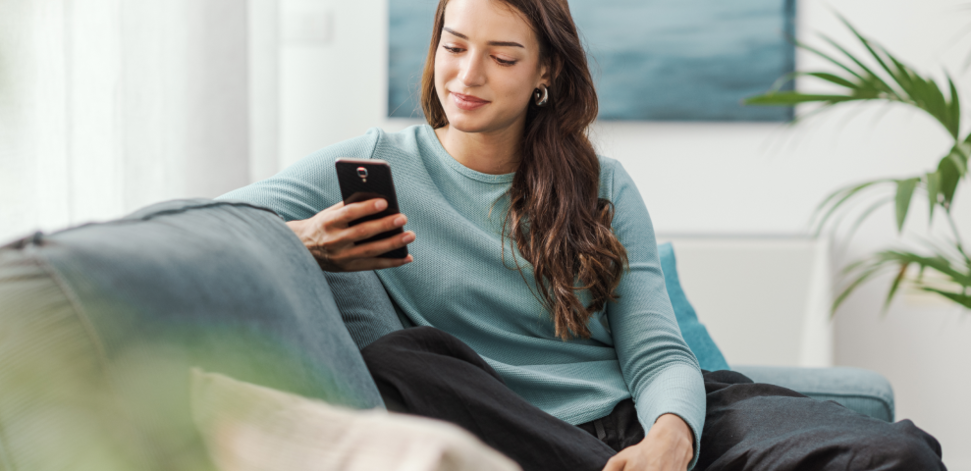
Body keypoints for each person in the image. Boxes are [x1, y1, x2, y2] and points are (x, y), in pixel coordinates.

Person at [220, 0, 946, 469]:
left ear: (543, 74)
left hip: (641, 415)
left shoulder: (602, 182)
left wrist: (671, 435)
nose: (466, 75)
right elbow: (207, 222)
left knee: (900, 452)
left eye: (502, 57)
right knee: (407, 358)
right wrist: (305, 239)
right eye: (453, 45)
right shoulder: (375, 160)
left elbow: (657, 348)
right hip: (510, 424)